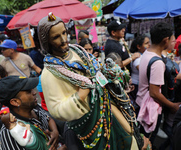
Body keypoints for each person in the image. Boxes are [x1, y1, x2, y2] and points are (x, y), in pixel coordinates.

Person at [38, 12, 151, 150]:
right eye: (56, 37)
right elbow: (56, 110)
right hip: (87, 124)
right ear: (46, 41)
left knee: (131, 136)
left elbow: (97, 71)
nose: (63, 39)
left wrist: (110, 74)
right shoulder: (49, 74)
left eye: (64, 33)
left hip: (108, 106)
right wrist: (80, 96)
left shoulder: (78, 51)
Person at [136, 22, 181, 146]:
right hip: (150, 109)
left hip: (141, 103)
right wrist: (172, 106)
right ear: (165, 40)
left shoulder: (147, 53)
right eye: (172, 39)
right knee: (148, 141)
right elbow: (154, 93)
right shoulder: (157, 62)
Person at [0, 76, 66, 150]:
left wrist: (55, 131)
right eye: (29, 91)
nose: (34, 92)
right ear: (15, 102)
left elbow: (48, 118)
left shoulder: (35, 108)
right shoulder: (10, 133)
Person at [129, 35, 150, 107]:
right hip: (136, 86)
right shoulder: (138, 58)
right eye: (146, 43)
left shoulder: (144, 56)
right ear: (139, 46)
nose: (149, 45)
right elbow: (144, 71)